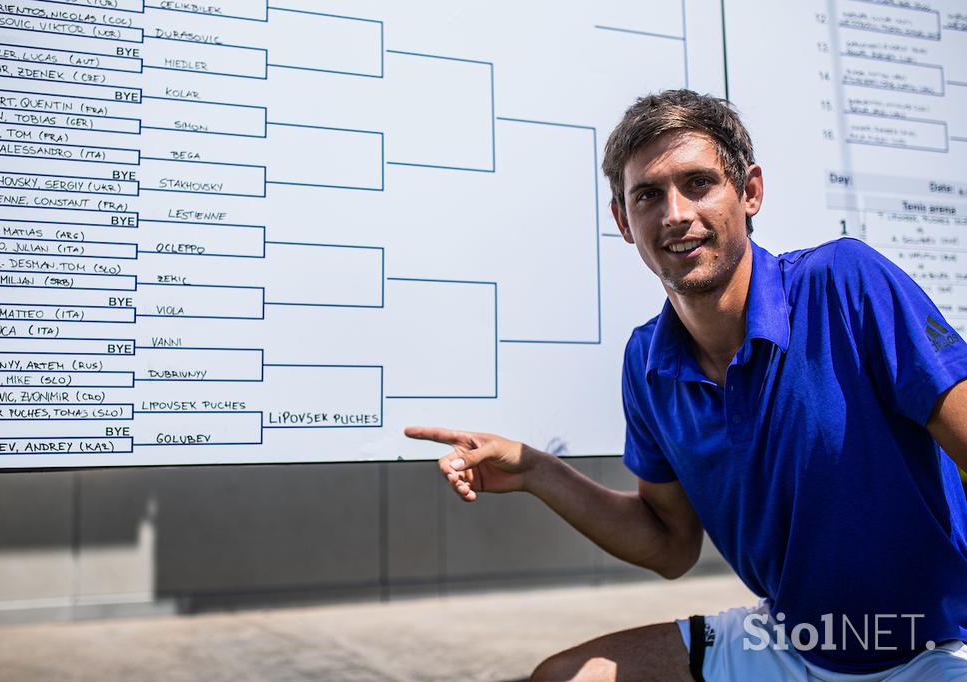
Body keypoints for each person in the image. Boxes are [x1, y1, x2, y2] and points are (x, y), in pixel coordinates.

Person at [404, 89, 967, 681]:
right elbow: (670, 545)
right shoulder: (646, 360)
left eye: (698, 183)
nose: (675, 213)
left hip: (937, 647)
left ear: (749, 192)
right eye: (648, 195)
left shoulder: (845, 282)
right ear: (624, 221)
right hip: (793, 638)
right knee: (562, 676)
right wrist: (539, 473)